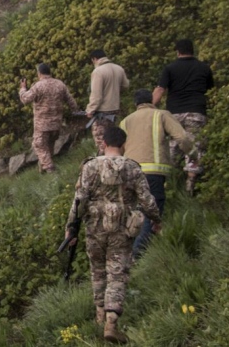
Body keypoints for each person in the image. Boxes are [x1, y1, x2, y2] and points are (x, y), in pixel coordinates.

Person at [64, 126, 162, 344]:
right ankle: (111, 321)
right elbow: (147, 201)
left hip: (95, 228)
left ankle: (99, 314)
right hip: (122, 229)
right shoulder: (132, 168)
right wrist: (156, 220)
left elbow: (79, 201)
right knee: (117, 273)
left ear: (104, 144)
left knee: (97, 270)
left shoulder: (89, 166)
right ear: (124, 145)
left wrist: (71, 228)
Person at [119, 89, 193, 259]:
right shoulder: (161, 115)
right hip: (153, 173)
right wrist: (194, 154)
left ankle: (124, 252)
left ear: (136, 104)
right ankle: (137, 255)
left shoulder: (125, 121)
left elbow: (119, 148)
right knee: (150, 211)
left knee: (132, 212)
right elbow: (182, 137)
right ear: (152, 101)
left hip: (129, 173)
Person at [152, 39, 215, 195]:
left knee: (173, 145)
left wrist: (149, 107)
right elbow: (210, 89)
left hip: (175, 113)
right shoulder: (204, 68)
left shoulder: (170, 68)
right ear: (193, 51)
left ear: (177, 51)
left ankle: (169, 181)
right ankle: (190, 183)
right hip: (196, 111)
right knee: (195, 145)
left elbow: (160, 90)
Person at [19, 63, 79, 173]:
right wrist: (75, 111)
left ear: (39, 73)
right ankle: (43, 172)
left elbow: (25, 99)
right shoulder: (60, 84)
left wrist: (23, 88)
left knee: (39, 146)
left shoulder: (38, 86)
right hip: (56, 124)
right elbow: (71, 101)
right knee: (49, 147)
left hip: (42, 125)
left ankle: (51, 170)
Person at [85, 49, 130, 155]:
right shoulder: (119, 68)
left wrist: (90, 110)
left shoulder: (98, 71)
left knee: (102, 142)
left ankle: (102, 164)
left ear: (94, 59)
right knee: (113, 140)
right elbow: (126, 85)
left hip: (102, 112)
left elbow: (96, 95)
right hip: (115, 110)